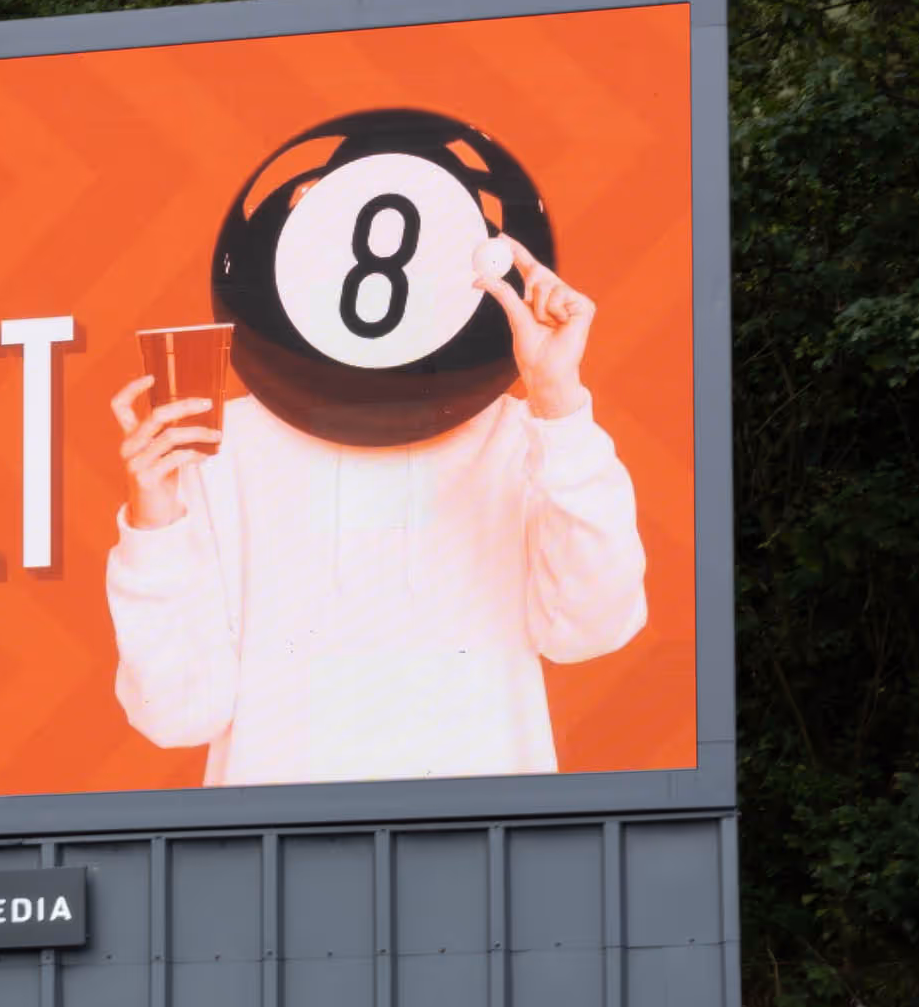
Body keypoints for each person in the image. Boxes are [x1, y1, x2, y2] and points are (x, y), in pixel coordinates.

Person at [103, 239, 643, 786]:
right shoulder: (222, 444)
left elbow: (592, 627)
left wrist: (557, 399)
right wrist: (155, 526)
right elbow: (175, 712)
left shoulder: (517, 433)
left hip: (482, 845)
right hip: (275, 852)